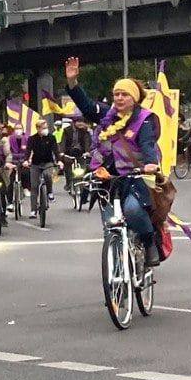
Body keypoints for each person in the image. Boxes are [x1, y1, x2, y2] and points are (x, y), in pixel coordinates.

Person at [65, 56, 162, 266]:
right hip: (108, 179)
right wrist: (72, 82)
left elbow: (148, 144)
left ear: (134, 98)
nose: (119, 98)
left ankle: (149, 243)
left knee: (133, 211)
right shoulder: (106, 115)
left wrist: (151, 164)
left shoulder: (144, 119)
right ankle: (116, 272)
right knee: (110, 226)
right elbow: (87, 106)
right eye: (116, 94)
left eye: (124, 94)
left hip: (134, 177)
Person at [24, 116, 61, 206]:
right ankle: (33, 209)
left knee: (47, 175)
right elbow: (28, 150)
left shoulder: (51, 137)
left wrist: (59, 160)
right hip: (35, 163)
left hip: (48, 162)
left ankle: (50, 192)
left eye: (46, 128)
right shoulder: (32, 138)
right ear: (38, 128)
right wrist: (26, 160)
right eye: (43, 128)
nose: (45, 130)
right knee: (34, 186)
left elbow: (55, 150)